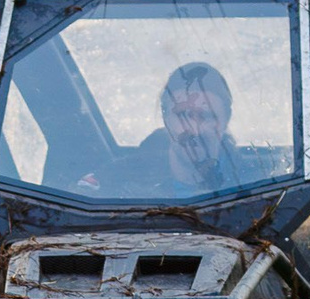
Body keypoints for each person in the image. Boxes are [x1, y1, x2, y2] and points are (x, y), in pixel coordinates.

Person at [76, 61, 241, 197]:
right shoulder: (114, 180)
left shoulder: (250, 186)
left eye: (207, 116)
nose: (195, 130)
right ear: (166, 120)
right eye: (183, 115)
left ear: (225, 121)